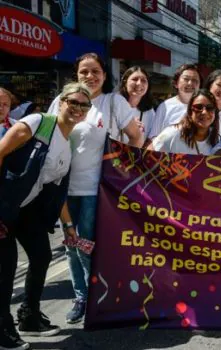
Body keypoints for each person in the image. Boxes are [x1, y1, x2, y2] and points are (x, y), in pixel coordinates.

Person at [47, 53, 143, 325]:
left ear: (104, 74)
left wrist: (128, 171)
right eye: (84, 72)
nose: (90, 76)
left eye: (95, 71)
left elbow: (136, 136)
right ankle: (82, 297)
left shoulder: (113, 102)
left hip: (95, 187)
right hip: (62, 186)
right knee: (70, 243)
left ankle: (98, 297)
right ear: (76, 75)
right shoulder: (62, 100)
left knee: (87, 244)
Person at [0, 82, 91, 350]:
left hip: (26, 210)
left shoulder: (67, 142)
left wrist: (69, 225)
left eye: (83, 105)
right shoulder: (38, 123)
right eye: (72, 102)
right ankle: (2, 328)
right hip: (4, 204)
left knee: (41, 256)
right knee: (6, 267)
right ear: (61, 102)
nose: (76, 108)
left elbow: (57, 189)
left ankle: (28, 316)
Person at [151, 89, 220, 156]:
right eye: (198, 107)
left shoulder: (216, 141)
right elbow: (148, 156)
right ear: (190, 111)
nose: (204, 112)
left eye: (210, 108)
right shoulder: (172, 134)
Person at [150, 63, 202, 139]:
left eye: (195, 80)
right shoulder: (165, 106)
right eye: (186, 79)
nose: (190, 83)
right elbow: (153, 137)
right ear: (176, 83)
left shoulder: (205, 108)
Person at [118, 66, 155, 142]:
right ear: (125, 82)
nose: (139, 83)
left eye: (143, 80)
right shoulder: (114, 104)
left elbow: (151, 139)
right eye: (134, 79)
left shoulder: (149, 112)